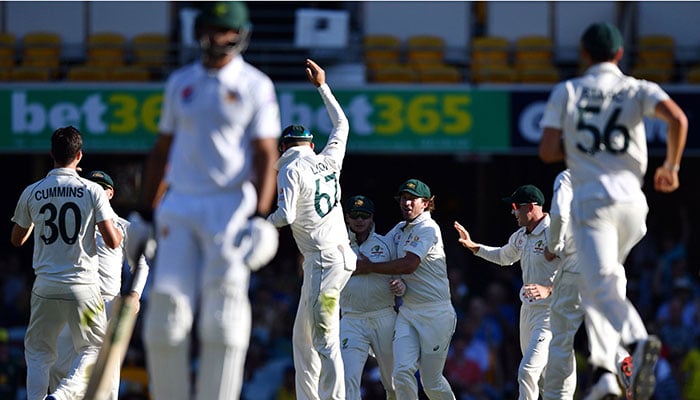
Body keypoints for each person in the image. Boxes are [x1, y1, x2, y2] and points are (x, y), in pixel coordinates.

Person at [133, 2, 282, 399]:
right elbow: (162, 149)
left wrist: (261, 217)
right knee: (166, 317)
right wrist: (145, 212)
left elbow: (266, 154)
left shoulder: (255, 85)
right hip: (179, 203)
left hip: (229, 206)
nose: (218, 38)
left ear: (240, 35)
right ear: (200, 32)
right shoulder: (181, 82)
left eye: (226, 30)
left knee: (223, 318)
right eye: (212, 29)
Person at [538, 21, 688, 400]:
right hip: (634, 204)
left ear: (583, 54)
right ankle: (606, 372)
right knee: (598, 284)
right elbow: (678, 119)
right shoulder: (638, 88)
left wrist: (580, 146)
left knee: (600, 281)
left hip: (594, 204)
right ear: (620, 54)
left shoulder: (568, 90)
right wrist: (671, 166)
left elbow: (548, 150)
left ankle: (637, 340)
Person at [10, 126, 123, 400]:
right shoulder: (92, 190)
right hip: (84, 290)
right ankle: (61, 395)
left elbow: (17, 239)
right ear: (79, 155)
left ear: (51, 154)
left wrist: (34, 221)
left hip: (45, 288)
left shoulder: (33, 191)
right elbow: (112, 241)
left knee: (38, 352)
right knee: (93, 348)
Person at [267, 58, 356, 400]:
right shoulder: (328, 161)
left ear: (283, 148)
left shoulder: (289, 169)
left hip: (322, 261)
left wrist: (257, 225)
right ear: (311, 145)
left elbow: (285, 215)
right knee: (303, 338)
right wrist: (322, 86)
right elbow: (342, 124)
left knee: (324, 338)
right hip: (339, 258)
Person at [525, 169, 630, 399]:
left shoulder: (568, 177)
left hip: (577, 263)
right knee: (604, 331)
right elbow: (636, 225)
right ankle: (622, 361)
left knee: (562, 338)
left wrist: (553, 245)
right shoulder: (614, 176)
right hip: (612, 265)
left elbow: (560, 214)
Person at [48, 170, 150, 400]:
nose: (93, 193)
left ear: (110, 193)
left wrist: (135, 294)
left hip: (103, 301)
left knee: (103, 369)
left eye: (99, 188)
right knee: (58, 365)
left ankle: (62, 395)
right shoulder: (73, 223)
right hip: (71, 298)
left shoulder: (123, 226)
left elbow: (142, 264)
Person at [454, 184, 557, 400]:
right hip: (528, 312)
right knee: (543, 378)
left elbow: (576, 273)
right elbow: (503, 256)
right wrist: (473, 246)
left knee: (527, 371)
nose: (512, 212)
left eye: (516, 207)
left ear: (531, 207)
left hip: (551, 312)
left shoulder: (555, 233)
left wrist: (548, 289)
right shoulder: (521, 235)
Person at [356, 178, 457, 400]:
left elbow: (409, 265)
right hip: (408, 312)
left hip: (436, 313)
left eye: (412, 199)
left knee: (431, 382)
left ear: (426, 203)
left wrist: (369, 268)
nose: (407, 203)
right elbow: (382, 251)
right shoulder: (400, 229)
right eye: (403, 198)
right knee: (400, 372)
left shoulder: (428, 228)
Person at [340, 195, 402, 400]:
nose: (359, 220)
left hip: (383, 317)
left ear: (372, 217)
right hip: (351, 319)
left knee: (393, 381)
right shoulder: (338, 246)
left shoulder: (386, 244)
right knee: (347, 380)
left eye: (364, 216)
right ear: (347, 217)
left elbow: (401, 279)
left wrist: (399, 286)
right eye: (355, 215)